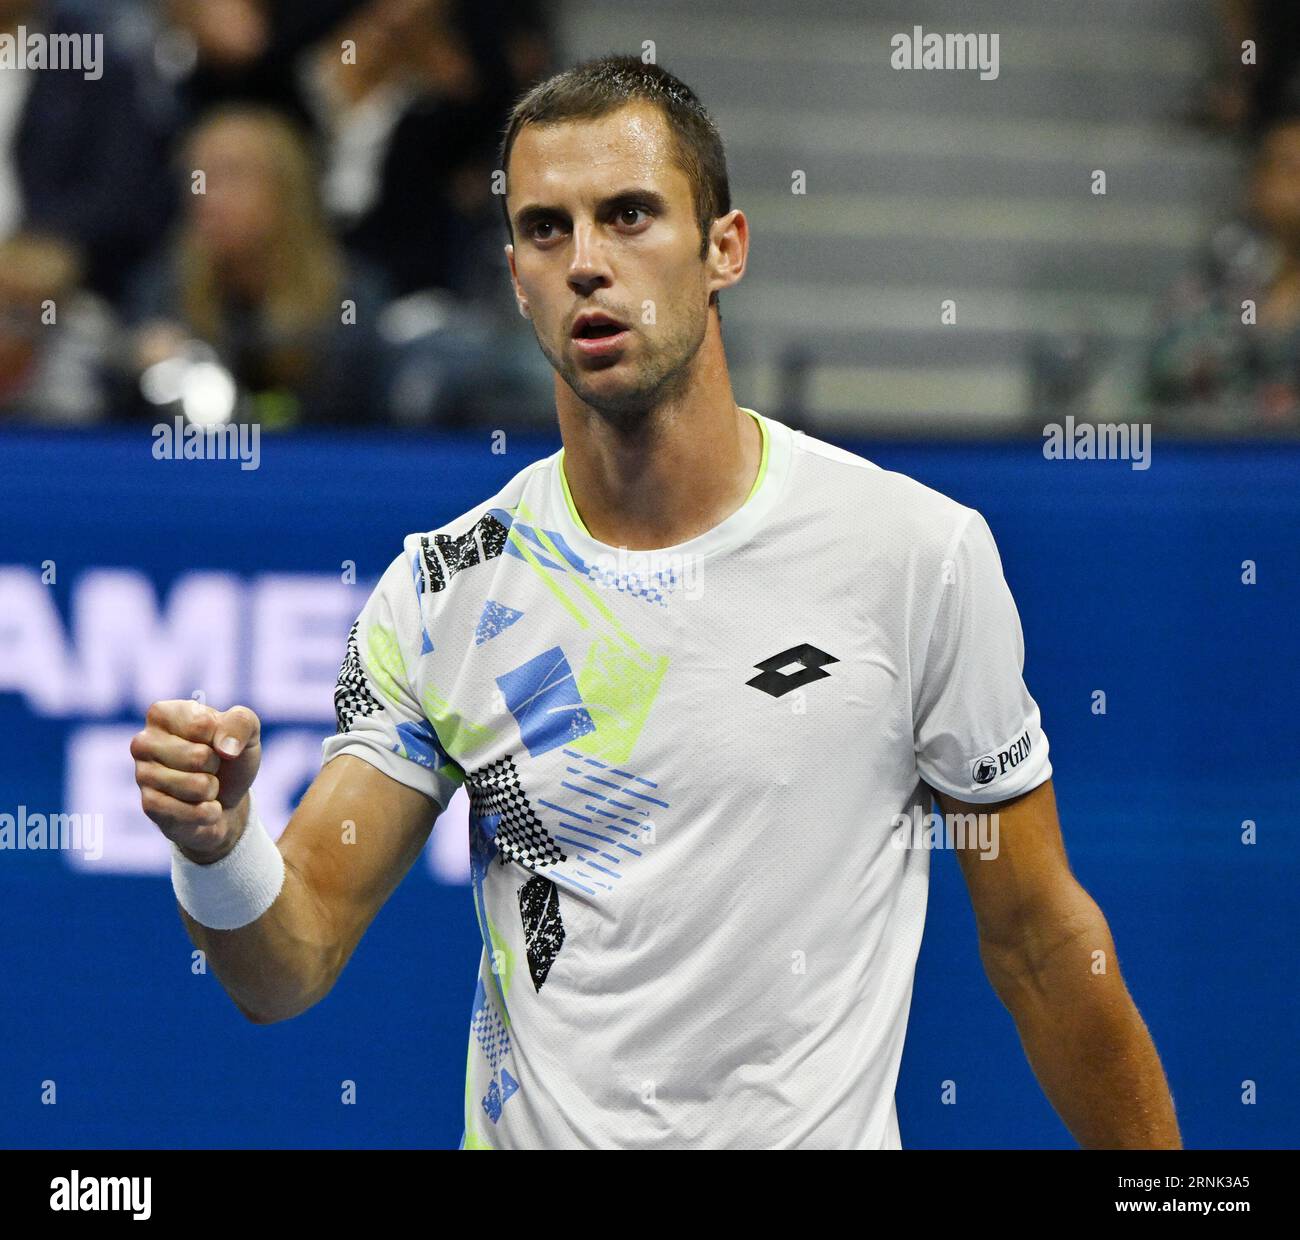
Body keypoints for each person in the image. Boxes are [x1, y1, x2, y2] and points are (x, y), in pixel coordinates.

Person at [131, 55, 1181, 1150]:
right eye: (547, 230)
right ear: (515, 275)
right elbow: (288, 961)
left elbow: (1038, 941)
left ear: (724, 247)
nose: (587, 262)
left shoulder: (917, 554)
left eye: (627, 215)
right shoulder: (447, 586)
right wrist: (217, 846)